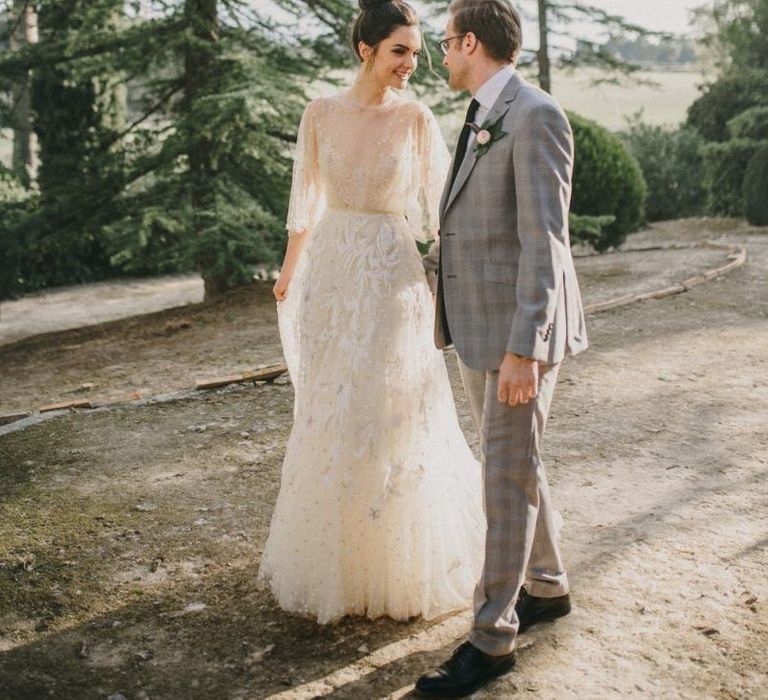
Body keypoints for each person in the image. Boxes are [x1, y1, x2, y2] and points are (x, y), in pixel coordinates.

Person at [257, 0, 485, 624]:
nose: (413, 63)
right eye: (400, 51)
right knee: (333, 403)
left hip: (390, 273)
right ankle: (340, 561)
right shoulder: (319, 114)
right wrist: (287, 273)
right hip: (332, 268)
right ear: (366, 50)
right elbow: (306, 201)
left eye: (416, 51)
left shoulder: (415, 118)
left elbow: (446, 206)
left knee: (391, 406)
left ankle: (399, 561)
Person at [415, 0, 588, 696]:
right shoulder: (485, 113)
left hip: (518, 335)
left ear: (471, 42)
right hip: (479, 324)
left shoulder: (537, 115)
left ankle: (491, 642)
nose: (443, 55)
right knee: (512, 462)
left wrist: (526, 350)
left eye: (447, 44)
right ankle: (546, 587)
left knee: (503, 478)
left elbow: (546, 245)